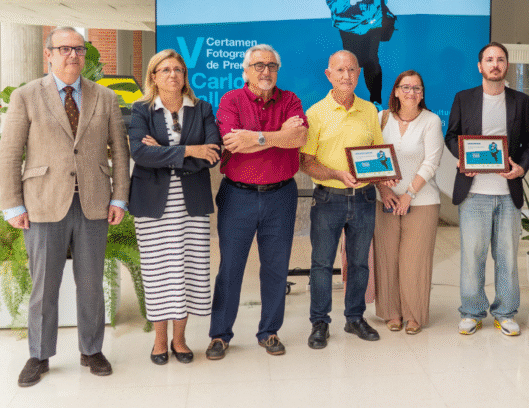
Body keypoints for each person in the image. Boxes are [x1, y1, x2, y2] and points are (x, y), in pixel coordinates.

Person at [0, 27, 130, 387]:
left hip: (93, 203)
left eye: (79, 49)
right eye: (65, 49)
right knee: (44, 286)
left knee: (91, 284)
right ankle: (39, 355)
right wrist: (12, 205)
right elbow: (10, 153)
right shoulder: (26, 96)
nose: (73, 55)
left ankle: (92, 350)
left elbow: (120, 151)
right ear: (49, 54)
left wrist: (119, 196)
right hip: (42, 203)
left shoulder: (104, 97)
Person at [206, 44, 307, 359]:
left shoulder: (290, 100)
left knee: (276, 268)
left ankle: (269, 332)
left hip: (281, 196)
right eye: (259, 65)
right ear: (246, 71)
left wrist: (257, 137)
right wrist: (278, 136)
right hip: (238, 195)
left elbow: (299, 138)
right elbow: (233, 144)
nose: (266, 71)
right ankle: (220, 335)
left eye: (272, 65)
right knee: (230, 268)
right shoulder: (231, 100)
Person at [128, 50, 222, 365]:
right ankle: (159, 341)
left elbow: (213, 154)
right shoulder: (141, 110)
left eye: (178, 69)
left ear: (185, 76)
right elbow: (140, 154)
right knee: (158, 273)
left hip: (191, 205)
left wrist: (166, 153)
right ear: (153, 76)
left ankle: (179, 340)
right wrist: (190, 150)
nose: (172, 74)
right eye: (165, 69)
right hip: (152, 205)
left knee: (188, 270)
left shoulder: (202, 108)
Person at [445, 42, 529, 336]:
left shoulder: (520, 101)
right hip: (474, 192)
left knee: (507, 256)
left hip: (508, 192)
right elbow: (451, 136)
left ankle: (505, 313)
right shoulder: (464, 98)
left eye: (500, 59)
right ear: (480, 66)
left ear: (506, 65)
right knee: (473, 256)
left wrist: (521, 167)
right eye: (489, 59)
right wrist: (462, 158)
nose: (494, 64)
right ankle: (472, 312)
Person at [300, 50, 385, 349]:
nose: (346, 76)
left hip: (364, 198)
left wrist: (384, 176)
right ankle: (319, 322)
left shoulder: (369, 110)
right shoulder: (315, 113)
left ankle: (354, 318)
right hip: (328, 199)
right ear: (329, 75)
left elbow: (377, 153)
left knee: (360, 263)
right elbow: (306, 162)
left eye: (351, 70)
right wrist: (336, 174)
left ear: (359, 74)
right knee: (322, 264)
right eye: (340, 70)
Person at [374, 70, 444, 334]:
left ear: (422, 94)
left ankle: (414, 315)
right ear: (395, 91)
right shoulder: (381, 118)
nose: (411, 92)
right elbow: (372, 156)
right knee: (387, 257)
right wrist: (383, 189)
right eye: (405, 87)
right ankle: (391, 313)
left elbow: (431, 162)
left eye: (417, 88)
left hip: (422, 201)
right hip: (385, 200)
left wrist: (409, 194)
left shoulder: (431, 121)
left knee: (415, 260)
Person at [326, 0, 390, 105]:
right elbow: (331, 3)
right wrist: (350, 1)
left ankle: (376, 101)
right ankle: (346, 98)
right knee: (351, 64)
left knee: (372, 60)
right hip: (349, 26)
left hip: (372, 24)